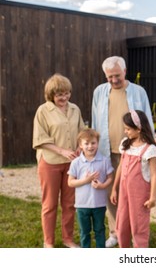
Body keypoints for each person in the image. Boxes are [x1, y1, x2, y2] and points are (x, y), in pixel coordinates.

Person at [92, 56, 154, 248]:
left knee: (136, 196)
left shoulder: (138, 91)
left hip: (135, 152)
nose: (113, 80)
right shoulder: (100, 92)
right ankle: (116, 232)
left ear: (125, 71)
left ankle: (137, 232)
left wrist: (151, 145)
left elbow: (147, 119)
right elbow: (95, 120)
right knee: (113, 192)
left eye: (116, 75)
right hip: (106, 151)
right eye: (109, 76)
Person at [32, 73, 85, 248]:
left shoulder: (75, 109)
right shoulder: (43, 111)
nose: (64, 97)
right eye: (60, 94)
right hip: (50, 162)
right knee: (50, 204)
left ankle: (67, 239)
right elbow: (40, 139)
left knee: (70, 204)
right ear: (51, 95)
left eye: (67, 93)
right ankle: (49, 242)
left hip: (71, 163)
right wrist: (62, 150)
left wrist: (80, 146)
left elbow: (81, 132)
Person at [110, 110, 156, 248]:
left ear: (139, 128)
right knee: (123, 222)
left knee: (139, 224)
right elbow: (120, 166)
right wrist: (114, 189)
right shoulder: (126, 144)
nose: (125, 132)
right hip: (124, 193)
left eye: (128, 129)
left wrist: (153, 197)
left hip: (140, 195)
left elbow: (154, 174)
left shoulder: (149, 149)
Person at [68, 128, 114, 248]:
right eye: (86, 143)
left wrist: (102, 185)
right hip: (82, 205)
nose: (90, 146)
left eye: (93, 143)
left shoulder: (104, 161)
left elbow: (110, 177)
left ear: (97, 143)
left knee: (100, 230)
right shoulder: (76, 163)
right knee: (84, 232)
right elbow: (70, 182)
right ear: (80, 145)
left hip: (99, 204)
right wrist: (86, 180)